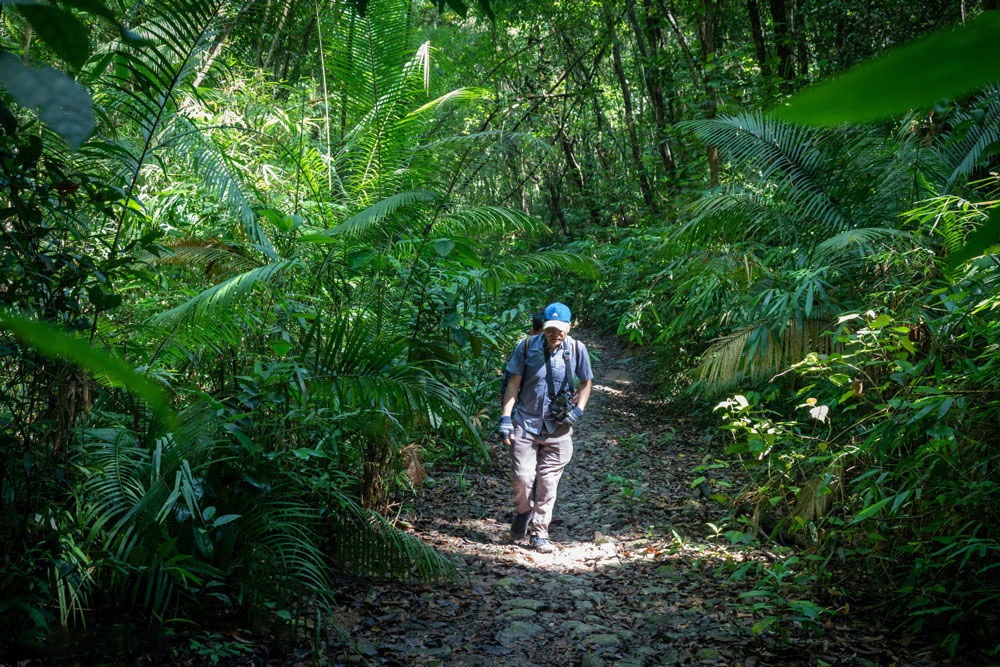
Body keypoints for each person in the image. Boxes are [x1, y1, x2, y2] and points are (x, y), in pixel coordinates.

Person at [498, 302, 593, 553]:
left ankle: (540, 532)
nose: (555, 334)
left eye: (560, 329)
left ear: (569, 327)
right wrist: (506, 417)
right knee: (522, 477)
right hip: (526, 424)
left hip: (558, 430)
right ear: (543, 327)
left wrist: (579, 409)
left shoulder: (577, 349)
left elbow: (586, 382)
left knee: (548, 482)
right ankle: (523, 513)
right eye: (550, 329)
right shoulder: (527, 346)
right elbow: (513, 384)